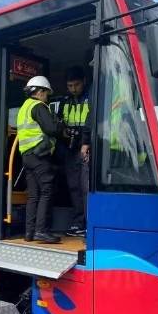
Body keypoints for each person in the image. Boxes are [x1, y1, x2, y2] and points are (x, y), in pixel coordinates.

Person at [17, 75, 66, 244]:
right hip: (39, 156)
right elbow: (51, 129)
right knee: (47, 191)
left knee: (33, 196)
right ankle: (41, 231)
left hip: (27, 156)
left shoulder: (24, 107)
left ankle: (29, 233)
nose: (47, 97)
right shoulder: (38, 106)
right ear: (39, 92)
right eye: (46, 93)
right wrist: (60, 124)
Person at [58, 66, 90, 237]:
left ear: (84, 81)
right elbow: (60, 122)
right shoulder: (65, 101)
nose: (73, 89)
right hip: (70, 149)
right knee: (74, 187)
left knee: (86, 187)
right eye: (70, 86)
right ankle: (78, 223)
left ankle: (89, 223)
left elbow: (91, 123)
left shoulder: (91, 98)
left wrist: (86, 142)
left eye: (76, 85)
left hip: (86, 148)